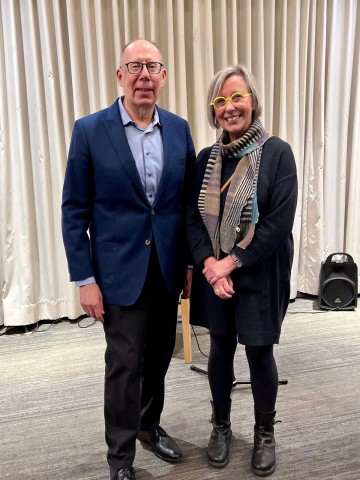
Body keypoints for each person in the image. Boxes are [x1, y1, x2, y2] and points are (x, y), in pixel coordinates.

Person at [62, 39, 195, 480]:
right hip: (117, 275)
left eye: (152, 67)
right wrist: (85, 278)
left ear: (162, 76)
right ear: (120, 76)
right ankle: (120, 459)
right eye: (134, 66)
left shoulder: (179, 129)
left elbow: (187, 207)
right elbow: (74, 210)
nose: (143, 75)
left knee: (158, 357)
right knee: (123, 365)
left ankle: (148, 426)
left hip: (167, 271)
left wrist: (190, 265)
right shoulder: (89, 130)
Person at [186, 64, 298, 477]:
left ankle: (265, 432)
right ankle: (220, 426)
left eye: (237, 97)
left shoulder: (278, 153)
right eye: (220, 101)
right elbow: (192, 219)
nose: (229, 107)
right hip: (216, 275)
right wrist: (211, 265)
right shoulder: (205, 160)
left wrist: (230, 263)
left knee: (259, 352)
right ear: (213, 112)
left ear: (252, 99)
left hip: (259, 273)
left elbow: (278, 223)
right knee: (219, 348)